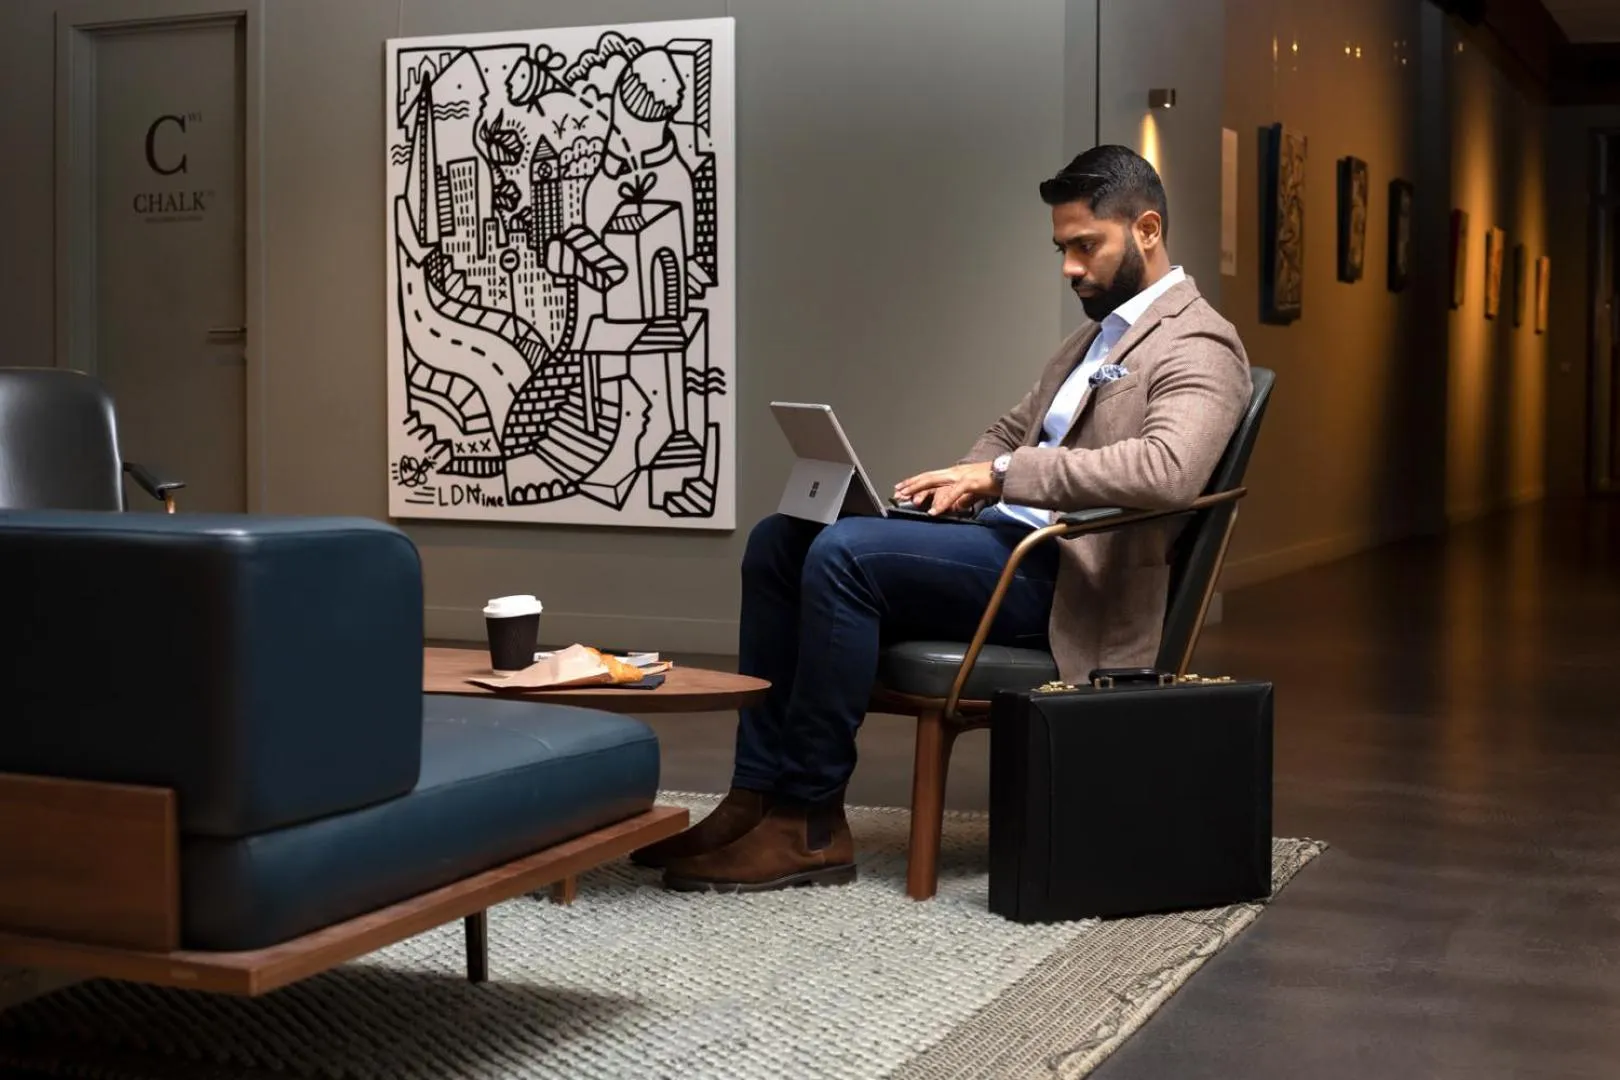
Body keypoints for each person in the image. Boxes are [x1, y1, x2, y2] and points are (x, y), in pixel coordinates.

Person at [634, 144, 1254, 893]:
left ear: (1147, 229)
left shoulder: (1201, 342)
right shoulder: (1090, 342)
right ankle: (755, 795)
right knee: (780, 540)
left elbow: (1167, 470)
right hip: (1002, 543)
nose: (1069, 267)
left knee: (847, 555)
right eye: (1062, 248)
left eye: (1086, 245)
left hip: (1065, 577)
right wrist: (958, 483)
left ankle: (810, 822)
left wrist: (997, 477)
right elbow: (1006, 431)